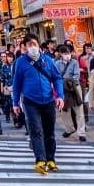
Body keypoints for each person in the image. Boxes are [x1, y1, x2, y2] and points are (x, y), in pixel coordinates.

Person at [11, 34, 66, 174]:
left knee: (50, 132)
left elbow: (57, 78)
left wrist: (60, 96)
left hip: (48, 100)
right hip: (30, 101)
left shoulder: (48, 60)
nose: (32, 47)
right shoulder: (21, 62)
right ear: (24, 48)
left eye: (34, 44)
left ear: (39, 45)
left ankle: (51, 159)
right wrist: (15, 102)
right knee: (36, 131)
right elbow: (16, 83)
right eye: (29, 45)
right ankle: (40, 160)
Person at [57, 43, 86, 140]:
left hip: (74, 88)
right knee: (64, 110)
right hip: (62, 89)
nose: (67, 55)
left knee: (79, 110)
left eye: (68, 53)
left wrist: (67, 82)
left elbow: (76, 76)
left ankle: (81, 133)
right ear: (61, 54)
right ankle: (69, 129)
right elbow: (56, 77)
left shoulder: (74, 62)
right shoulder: (57, 64)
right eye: (65, 53)